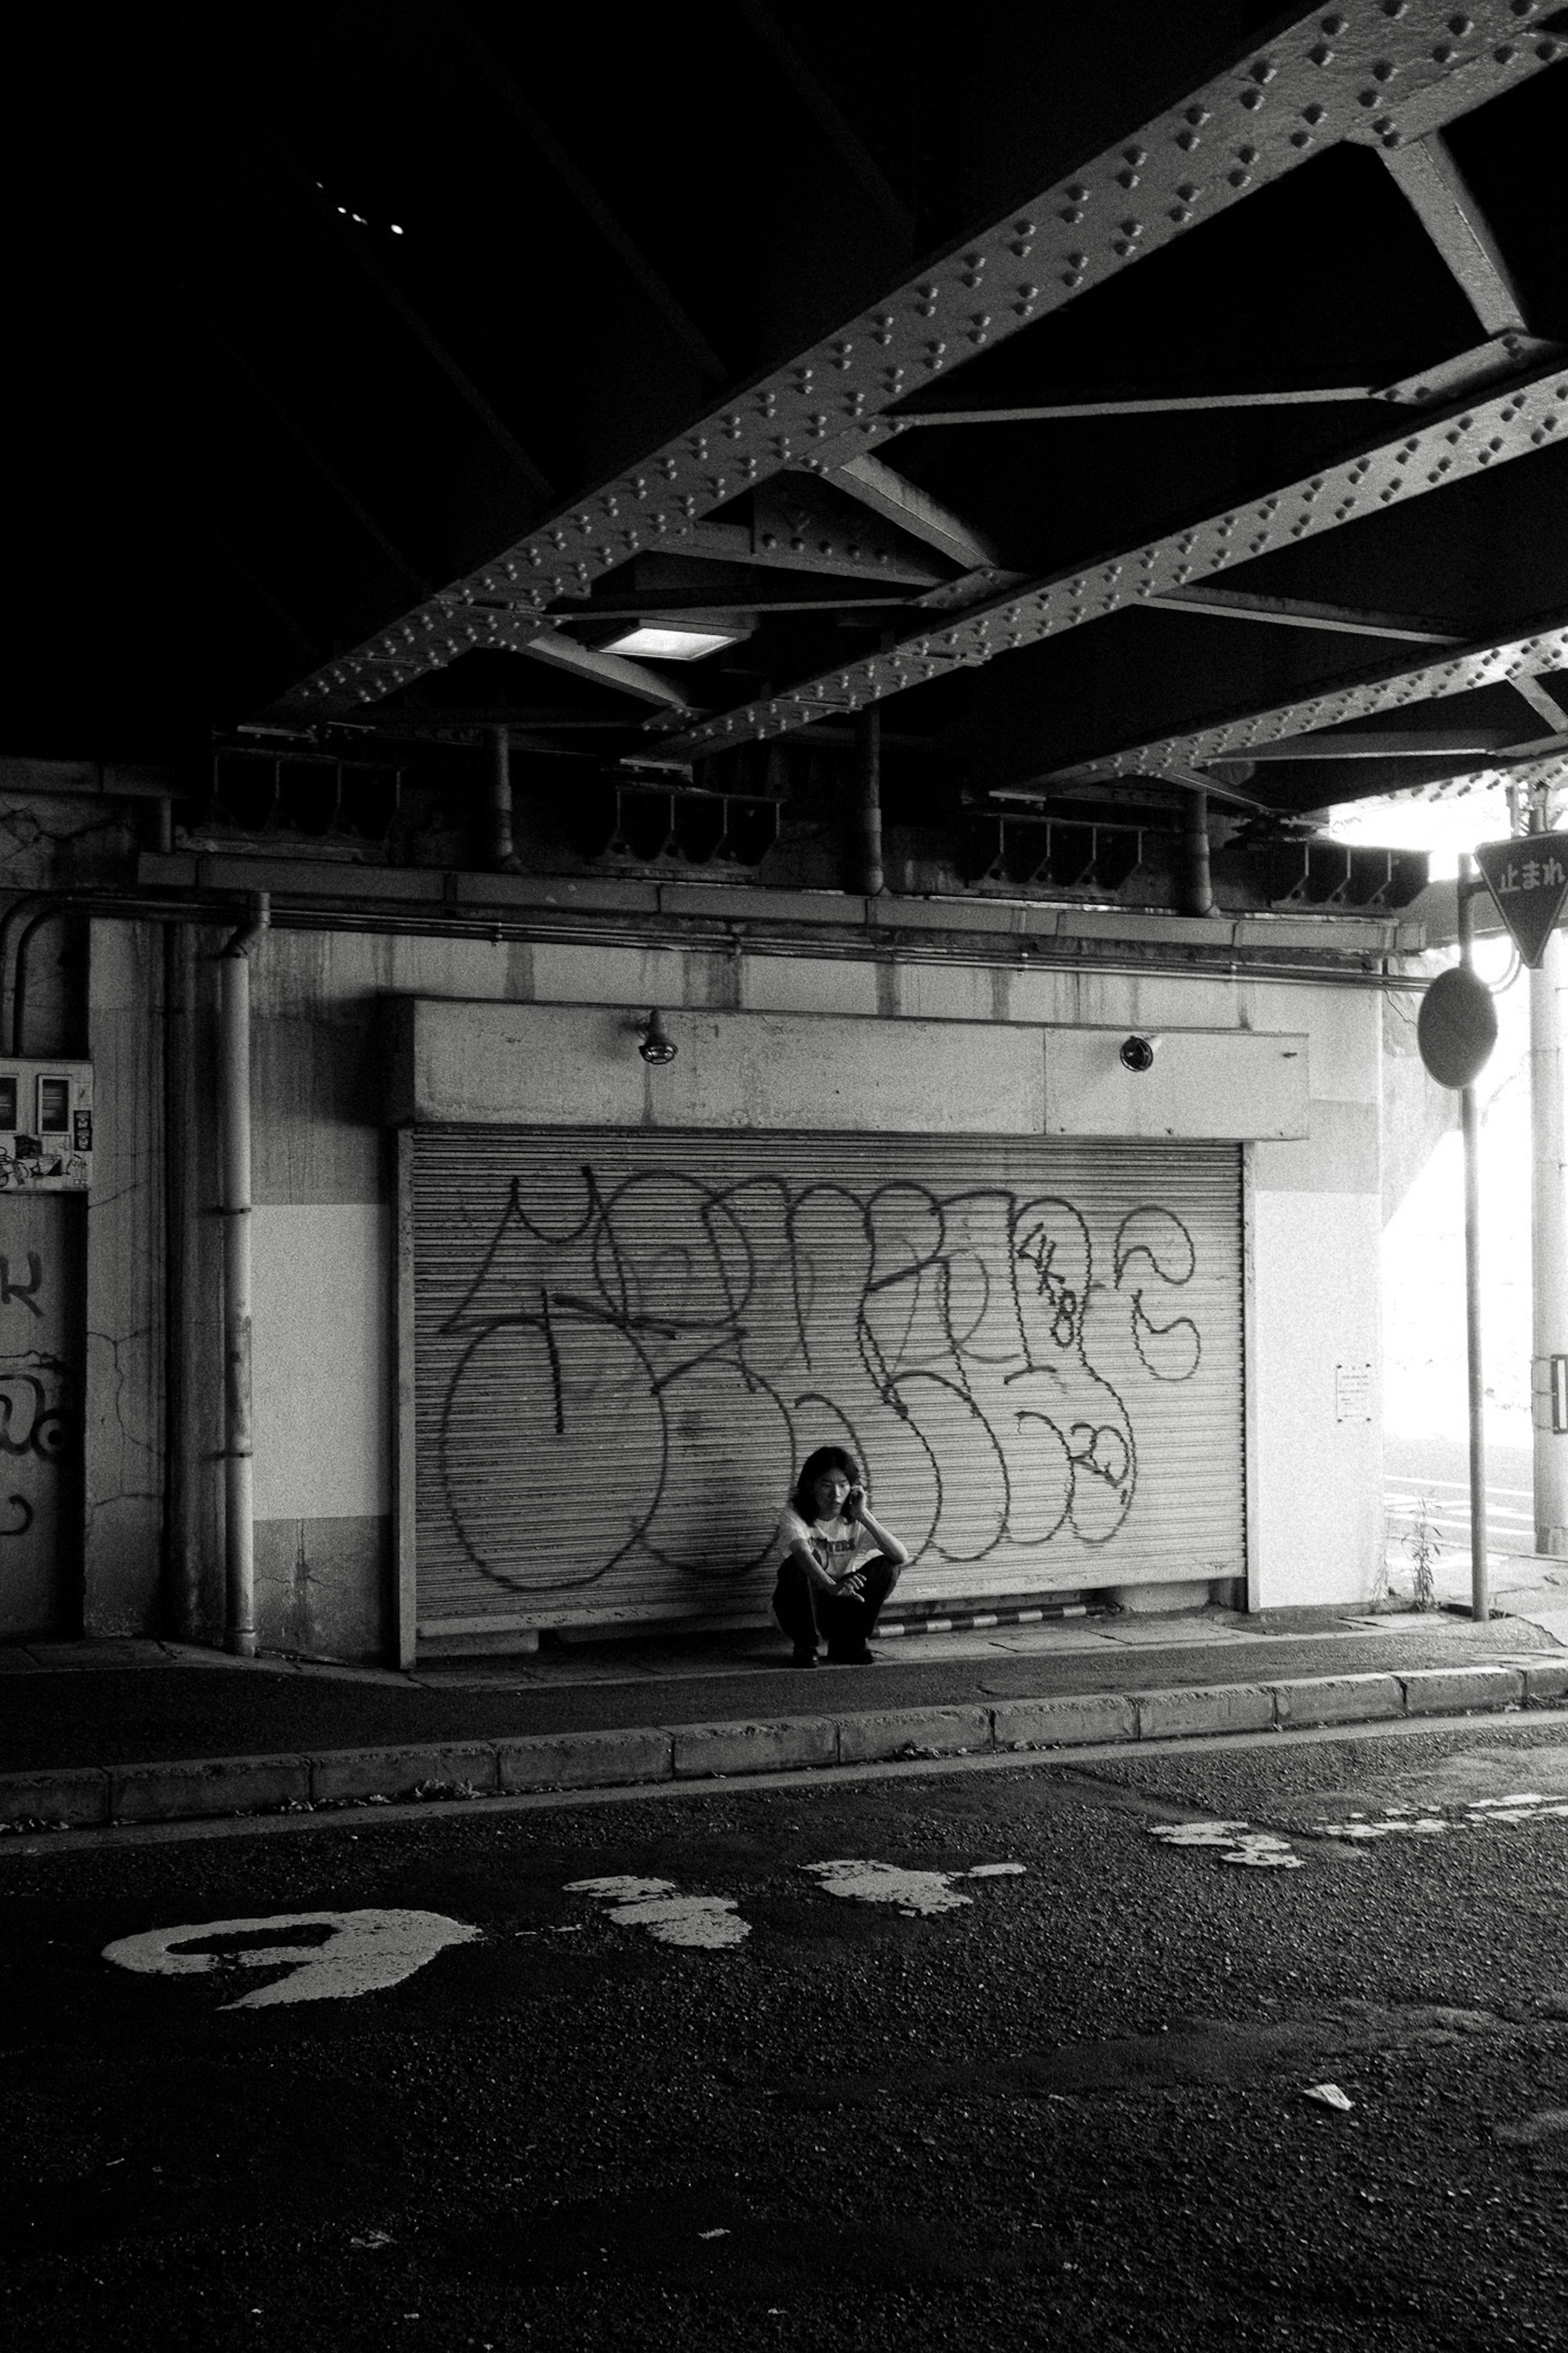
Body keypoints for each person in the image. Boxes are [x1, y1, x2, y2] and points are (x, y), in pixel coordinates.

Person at [773, 1445, 909, 1668]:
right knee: (795, 1567)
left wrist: (863, 1515)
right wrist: (830, 1586)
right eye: (826, 1486)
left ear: (853, 1488)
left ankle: (850, 1643)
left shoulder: (854, 1518)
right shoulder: (793, 1514)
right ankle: (805, 1645)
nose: (836, 1495)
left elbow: (900, 1556)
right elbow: (801, 1553)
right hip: (805, 1605)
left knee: (888, 1566)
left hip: (844, 1601)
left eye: (843, 1486)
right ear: (811, 1487)